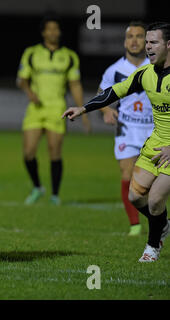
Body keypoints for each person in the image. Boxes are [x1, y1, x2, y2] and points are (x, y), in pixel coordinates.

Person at [63, 22, 170, 262]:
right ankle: (163, 224)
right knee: (135, 197)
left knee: (154, 200)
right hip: (155, 144)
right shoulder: (145, 74)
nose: (148, 47)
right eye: (147, 42)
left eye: (153, 42)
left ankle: (152, 248)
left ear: (168, 45)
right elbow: (114, 92)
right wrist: (83, 108)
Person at [16, 15, 91, 205]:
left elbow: (75, 85)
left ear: (59, 32)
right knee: (28, 152)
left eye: (55, 29)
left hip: (57, 108)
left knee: (54, 151)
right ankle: (37, 187)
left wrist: (83, 113)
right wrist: (29, 91)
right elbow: (21, 79)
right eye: (49, 29)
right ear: (43, 32)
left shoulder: (69, 56)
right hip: (36, 108)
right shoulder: (31, 53)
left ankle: (55, 195)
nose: (52, 32)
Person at [98, 21, 153, 236]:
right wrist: (105, 111)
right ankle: (134, 225)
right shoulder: (115, 70)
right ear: (124, 41)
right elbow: (101, 95)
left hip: (154, 129)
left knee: (154, 181)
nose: (134, 40)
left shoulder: (156, 66)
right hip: (127, 128)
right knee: (126, 174)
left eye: (140, 36)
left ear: (147, 41)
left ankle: (156, 217)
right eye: (131, 36)